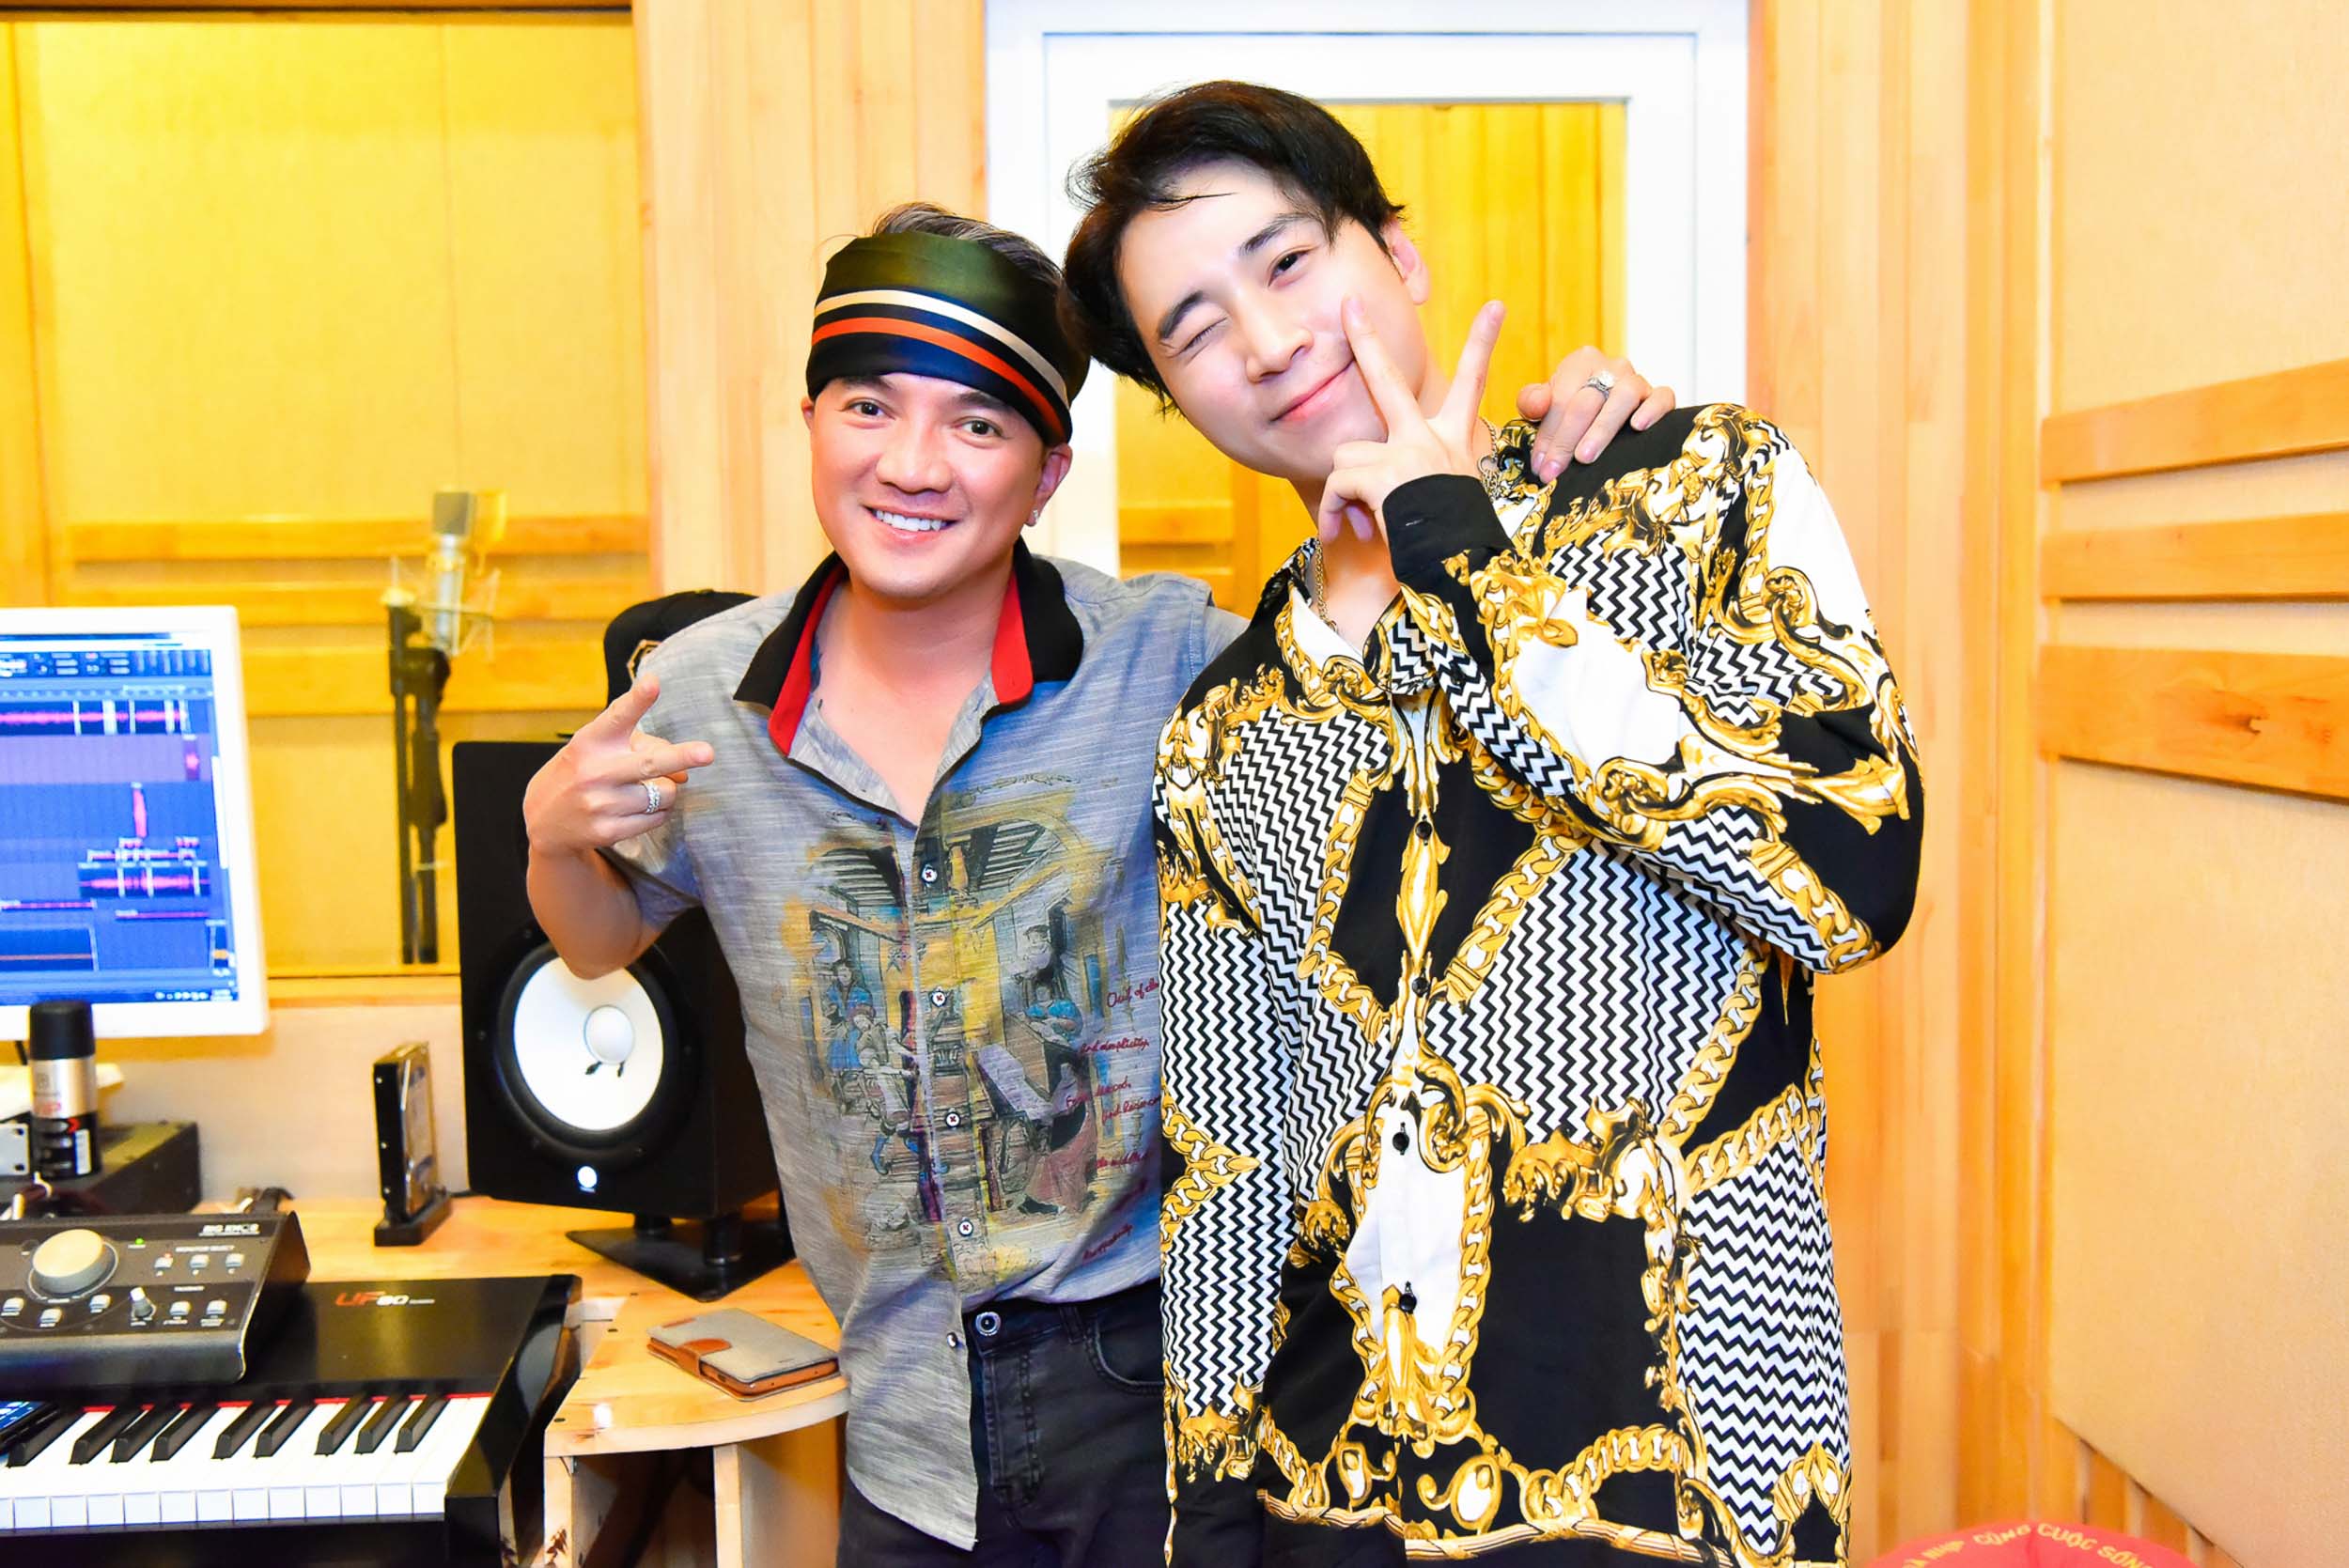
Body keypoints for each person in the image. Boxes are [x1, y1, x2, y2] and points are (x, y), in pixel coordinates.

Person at [520, 200, 1672, 1566]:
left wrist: (1563, 465)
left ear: (1047, 471)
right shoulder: (698, 688)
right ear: (811, 420)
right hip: (901, 1415)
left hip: (1161, 1390)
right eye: (869, 406)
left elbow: (1414, 716)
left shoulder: (1168, 653)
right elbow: (600, 941)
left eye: (978, 424)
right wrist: (552, 840)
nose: (912, 463)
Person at [1061, 82, 1924, 1566]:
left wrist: (1462, 551)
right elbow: (1228, 1162)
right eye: (1193, 331)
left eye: (1286, 262)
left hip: (1681, 1475)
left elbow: (1854, 876)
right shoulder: (1225, 722)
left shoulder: (1691, 490)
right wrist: (1210, 1514)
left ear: (1398, 254)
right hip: (1332, 1494)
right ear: (1174, 400)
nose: (1265, 341)